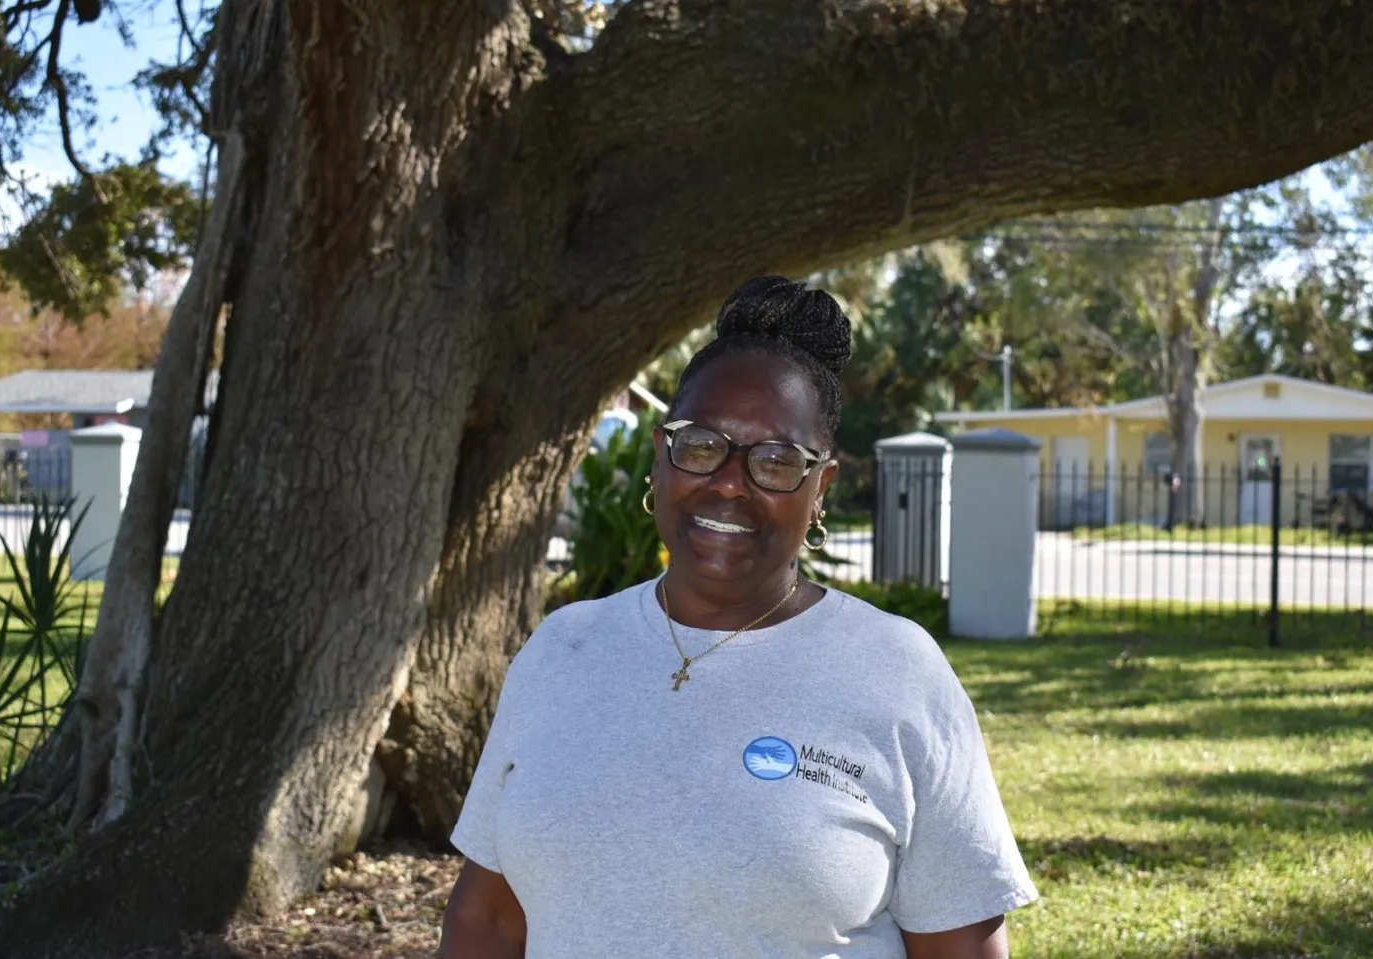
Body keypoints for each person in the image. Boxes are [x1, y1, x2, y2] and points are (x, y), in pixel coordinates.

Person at [440, 277, 1038, 958]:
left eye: (777, 460)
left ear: (821, 491)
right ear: (660, 458)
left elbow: (962, 947)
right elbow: (486, 919)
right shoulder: (561, 649)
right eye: (700, 444)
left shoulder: (897, 672)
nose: (728, 481)